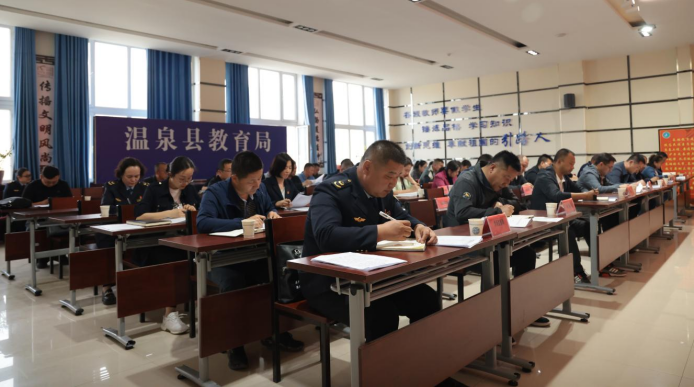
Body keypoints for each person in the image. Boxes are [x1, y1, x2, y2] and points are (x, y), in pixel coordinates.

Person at [300, 141, 467, 387]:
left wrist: (419, 226)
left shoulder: (381, 190)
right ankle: (384, 378)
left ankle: (430, 372)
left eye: (397, 177)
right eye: (389, 176)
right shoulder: (330, 190)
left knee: (427, 299)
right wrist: (380, 232)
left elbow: (400, 215)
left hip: (372, 274)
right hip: (329, 282)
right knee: (381, 315)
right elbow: (326, 235)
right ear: (367, 167)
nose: (393, 183)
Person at [197, 151, 303, 370]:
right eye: (251, 181)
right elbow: (203, 222)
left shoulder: (260, 189)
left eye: (259, 178)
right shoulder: (215, 192)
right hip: (222, 258)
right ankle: (234, 345)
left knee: (278, 276)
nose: (257, 185)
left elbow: (269, 207)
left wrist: (272, 213)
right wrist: (242, 222)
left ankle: (276, 332)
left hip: (254, 254)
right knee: (234, 283)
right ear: (234, 178)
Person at [444, 151, 547, 327]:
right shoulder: (467, 181)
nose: (507, 183)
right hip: (462, 245)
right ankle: (495, 320)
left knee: (526, 255)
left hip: (488, 240)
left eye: (510, 179)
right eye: (506, 178)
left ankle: (519, 307)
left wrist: (502, 206)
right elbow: (462, 213)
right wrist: (497, 210)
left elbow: (516, 202)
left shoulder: (498, 182)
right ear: (492, 168)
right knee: (498, 262)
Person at [529, 149, 618, 283]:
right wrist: (585, 195)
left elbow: (577, 190)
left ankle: (601, 262)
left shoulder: (564, 177)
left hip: (561, 219)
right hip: (544, 221)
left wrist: (590, 192)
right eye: (571, 163)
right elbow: (556, 195)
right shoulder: (545, 176)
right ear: (559, 162)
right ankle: (576, 271)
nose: (573, 167)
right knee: (567, 231)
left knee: (586, 225)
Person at [135, 156, 201, 336]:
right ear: (170, 174)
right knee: (175, 259)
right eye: (182, 179)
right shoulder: (154, 189)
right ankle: (169, 314)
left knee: (200, 257)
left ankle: (198, 302)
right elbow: (140, 215)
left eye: (189, 179)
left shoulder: (190, 190)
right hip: (156, 243)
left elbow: (202, 213)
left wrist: (193, 212)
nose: (185, 183)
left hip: (184, 240)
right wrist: (172, 213)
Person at [98, 157, 149, 305]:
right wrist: (129, 210)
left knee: (149, 243)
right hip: (115, 226)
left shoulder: (145, 187)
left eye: (136, 176)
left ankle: (139, 281)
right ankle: (107, 286)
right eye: (129, 176)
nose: (133, 180)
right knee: (107, 245)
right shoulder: (112, 187)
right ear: (121, 175)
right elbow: (107, 207)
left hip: (137, 227)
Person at [22, 165, 73, 268]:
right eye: (47, 182)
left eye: (54, 182)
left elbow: (70, 202)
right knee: (41, 230)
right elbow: (24, 204)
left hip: (58, 217)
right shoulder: (32, 186)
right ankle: (42, 258)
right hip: (38, 218)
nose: (50, 184)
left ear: (58, 177)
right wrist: (41, 203)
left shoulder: (63, 185)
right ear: (41, 177)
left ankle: (61, 254)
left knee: (69, 227)